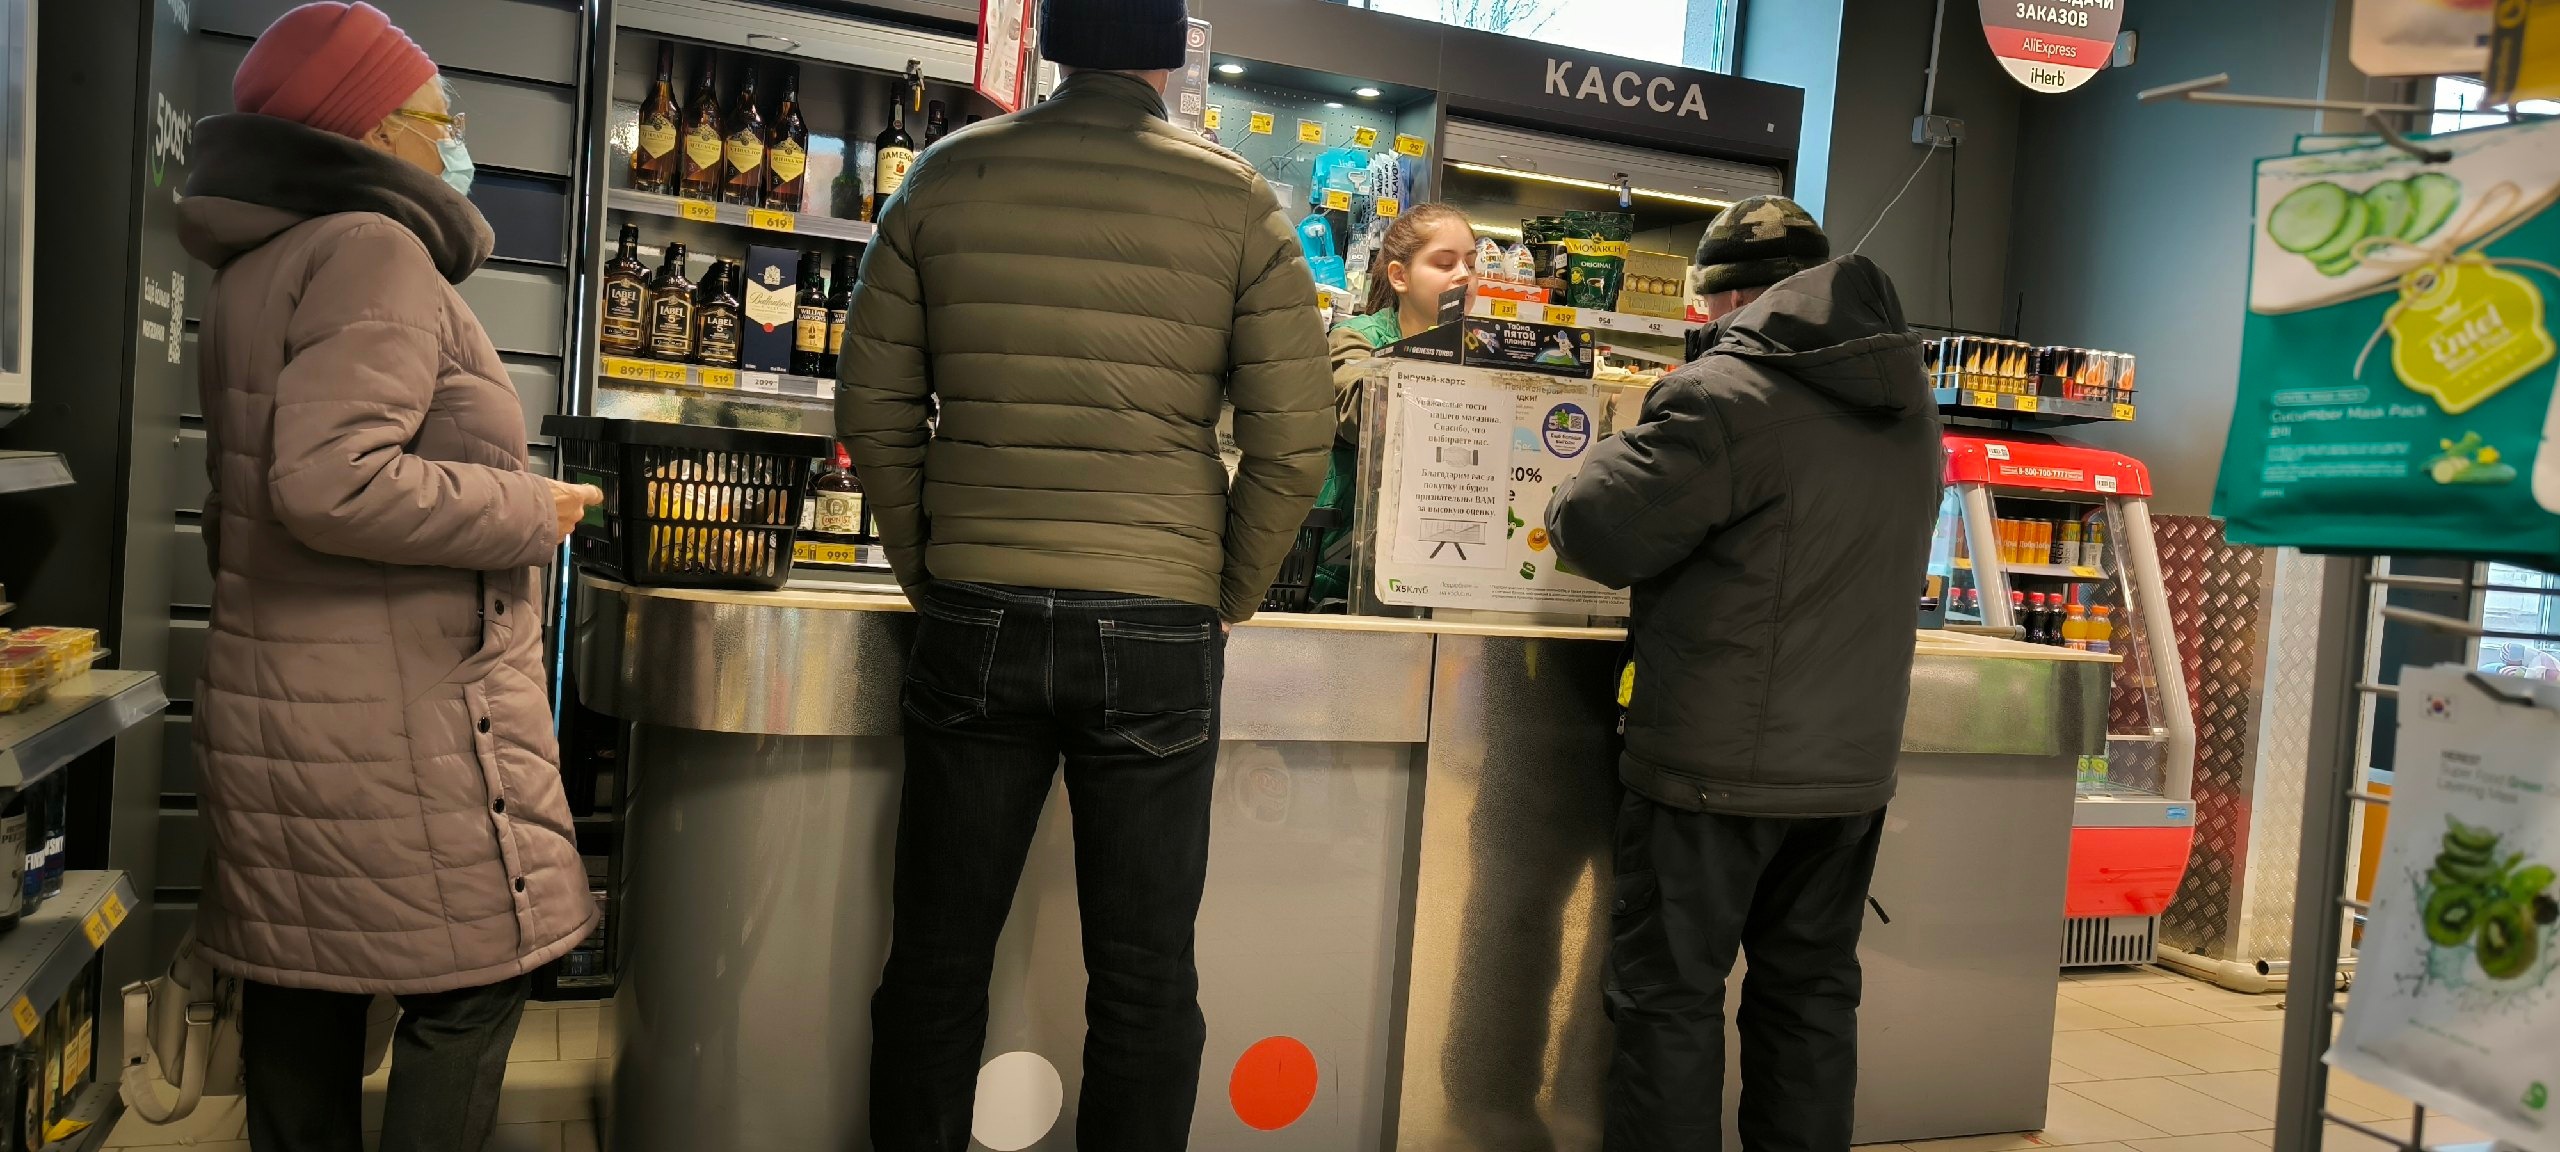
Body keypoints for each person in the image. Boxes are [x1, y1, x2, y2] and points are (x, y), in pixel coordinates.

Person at [832, 0, 1334, 1146]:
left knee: (936, 961)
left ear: (1055, 38)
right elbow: (1295, 443)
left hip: (976, 605)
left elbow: (874, 410)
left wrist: (931, 568)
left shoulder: (944, 177)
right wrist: (1223, 592)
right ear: (1171, 48)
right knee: (1146, 976)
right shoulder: (1238, 199)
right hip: (1156, 616)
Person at [176, 5, 602, 1149]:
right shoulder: (374, 249)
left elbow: (240, 508)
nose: (453, 135)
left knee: (304, 984)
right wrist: (531, 510)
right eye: (436, 114)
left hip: (287, 703)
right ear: (367, 126)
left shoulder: (262, 263)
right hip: (398, 719)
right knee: (475, 985)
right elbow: (329, 481)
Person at [1542, 196, 1945, 1152]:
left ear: (1727, 299)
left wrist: (1598, 456)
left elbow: (1595, 529)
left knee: (1669, 1000)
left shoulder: (1721, 395)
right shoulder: (1907, 402)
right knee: (1810, 996)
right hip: (1850, 776)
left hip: (1711, 772)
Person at [1315, 202, 1475, 599]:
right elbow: (1358, 410)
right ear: (1400, 276)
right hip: (1345, 566)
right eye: (1444, 263)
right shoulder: (1356, 337)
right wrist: (1437, 353)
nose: (1464, 275)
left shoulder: (1480, 350)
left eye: (1471, 263)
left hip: (1444, 561)